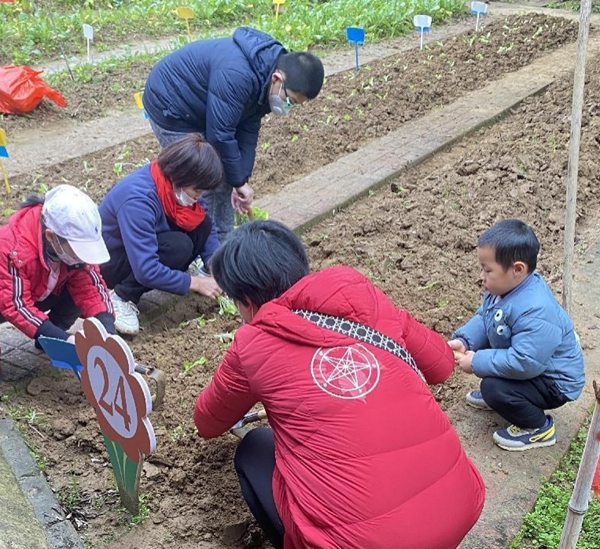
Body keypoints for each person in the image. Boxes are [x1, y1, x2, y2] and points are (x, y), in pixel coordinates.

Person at [194, 220, 484, 549]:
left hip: (362, 544)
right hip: (457, 508)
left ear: (245, 301)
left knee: (254, 449)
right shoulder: (362, 297)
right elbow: (443, 365)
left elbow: (207, 421)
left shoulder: (253, 342)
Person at [142, 26, 325, 241]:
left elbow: (247, 130)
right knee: (200, 177)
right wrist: (237, 182)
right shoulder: (238, 74)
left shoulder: (264, 80)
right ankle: (198, 247)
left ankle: (221, 241)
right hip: (172, 104)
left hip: (205, 108)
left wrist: (240, 179)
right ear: (277, 78)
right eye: (289, 100)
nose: (287, 107)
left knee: (224, 174)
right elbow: (220, 134)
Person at [449, 219, 585, 451]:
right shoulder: (502, 290)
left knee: (493, 387)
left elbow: (525, 362)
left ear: (518, 269)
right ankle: (507, 399)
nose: (481, 276)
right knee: (491, 375)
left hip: (555, 381)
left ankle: (538, 427)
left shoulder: (535, 309)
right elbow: (485, 318)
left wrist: (477, 361)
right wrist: (465, 340)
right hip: (533, 365)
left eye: (488, 270)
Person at [99, 134, 223, 336]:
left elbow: (205, 217)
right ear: (180, 176)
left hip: (140, 249)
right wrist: (196, 283)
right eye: (197, 190)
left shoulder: (172, 184)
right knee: (178, 247)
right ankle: (121, 298)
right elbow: (146, 269)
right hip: (111, 263)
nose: (198, 197)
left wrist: (216, 266)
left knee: (202, 223)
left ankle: (176, 273)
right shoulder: (138, 199)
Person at [0, 185, 115, 350]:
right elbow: (17, 305)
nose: (82, 256)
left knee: (79, 288)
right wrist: (66, 340)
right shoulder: (10, 249)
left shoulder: (72, 247)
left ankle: (49, 338)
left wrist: (108, 330)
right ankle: (51, 335)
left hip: (40, 291)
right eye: (76, 249)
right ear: (51, 236)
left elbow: (91, 289)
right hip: (5, 297)